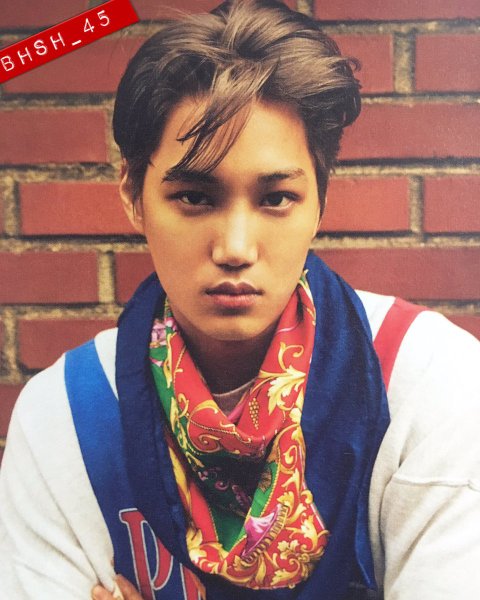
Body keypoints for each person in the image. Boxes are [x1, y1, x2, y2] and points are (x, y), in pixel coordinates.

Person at [1, 1, 479, 599]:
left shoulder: (426, 379)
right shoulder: (65, 418)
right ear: (132, 193)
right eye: (195, 197)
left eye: (276, 198)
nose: (234, 247)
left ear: (320, 202)